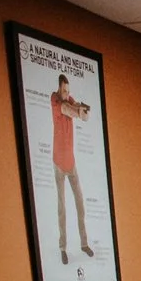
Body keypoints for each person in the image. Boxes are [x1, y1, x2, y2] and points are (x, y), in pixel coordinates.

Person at [49, 73, 93, 265]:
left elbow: (84, 117)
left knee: (80, 203)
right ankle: (62, 247)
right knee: (62, 208)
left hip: (71, 162)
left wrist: (82, 110)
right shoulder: (55, 99)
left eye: (68, 91)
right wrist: (78, 110)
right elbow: (68, 109)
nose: (67, 94)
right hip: (59, 162)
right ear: (59, 89)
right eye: (64, 90)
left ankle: (84, 243)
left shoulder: (70, 100)